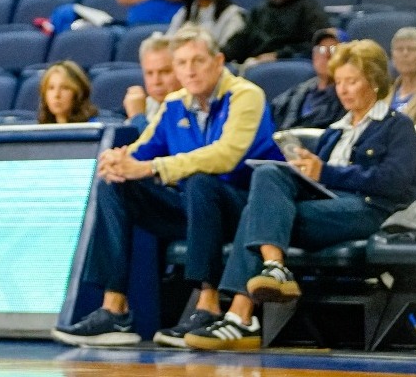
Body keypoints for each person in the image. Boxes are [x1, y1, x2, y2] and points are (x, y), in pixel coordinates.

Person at [52, 28, 283, 348]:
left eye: (198, 61)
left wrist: (152, 168)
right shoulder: (175, 104)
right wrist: (118, 160)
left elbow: (225, 155)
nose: (190, 70)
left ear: (218, 62)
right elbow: (143, 148)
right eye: (182, 63)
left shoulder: (246, 95)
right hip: (192, 208)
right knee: (115, 185)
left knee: (203, 180)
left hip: (243, 210)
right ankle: (114, 309)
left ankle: (208, 305)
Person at [187, 40, 416, 351]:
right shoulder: (333, 131)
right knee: (269, 173)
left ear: (375, 81)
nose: (344, 90)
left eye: (352, 81)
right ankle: (272, 271)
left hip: (368, 210)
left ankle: (241, 318)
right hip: (322, 208)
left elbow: (395, 182)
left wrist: (325, 172)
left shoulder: (397, 127)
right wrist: (303, 172)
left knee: (260, 215)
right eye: (339, 82)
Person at [270, 28, 348, 131]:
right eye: (320, 49)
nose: (326, 55)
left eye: (334, 49)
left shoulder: (348, 98)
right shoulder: (299, 91)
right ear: (313, 55)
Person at [123, 33, 178, 130]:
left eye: (165, 72)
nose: (156, 81)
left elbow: (161, 144)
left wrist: (137, 117)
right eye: (149, 73)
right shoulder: (145, 104)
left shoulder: (192, 107)